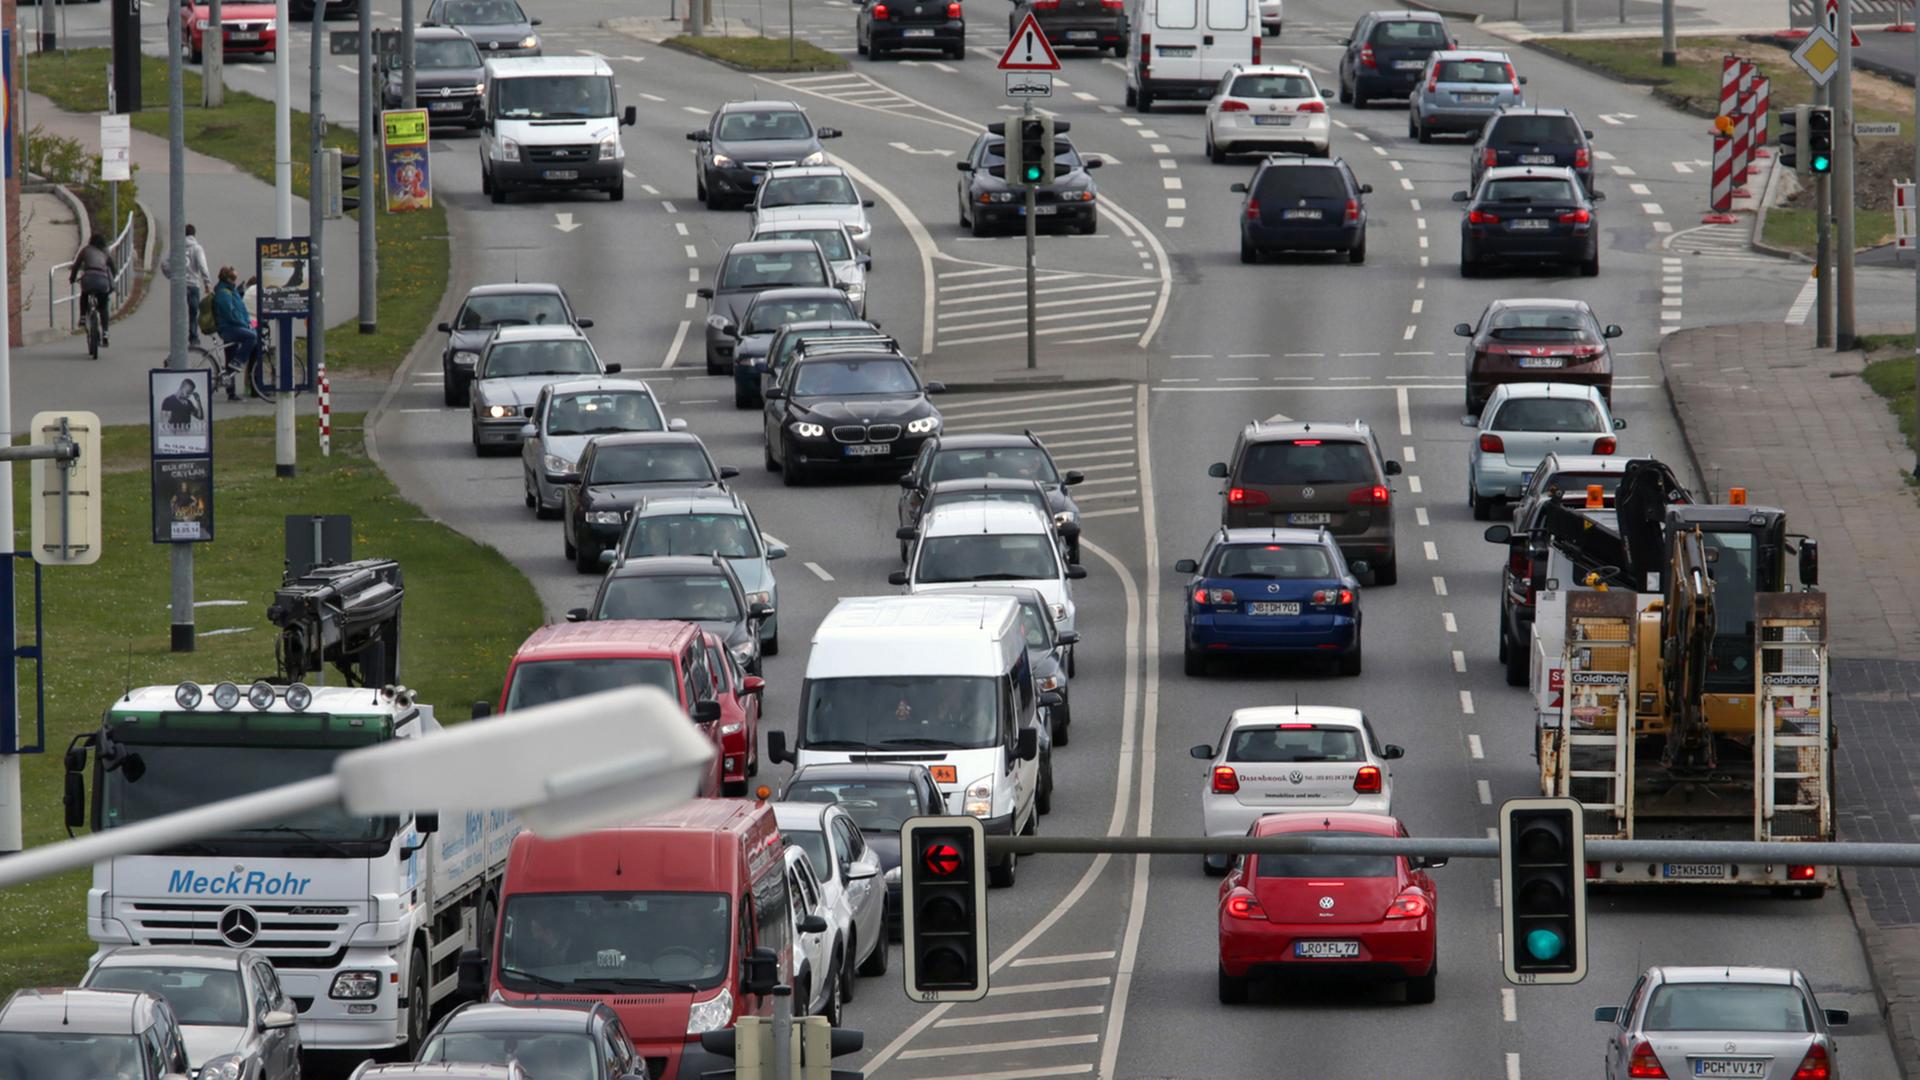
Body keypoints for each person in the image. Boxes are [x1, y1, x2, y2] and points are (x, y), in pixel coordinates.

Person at [211, 267, 259, 400]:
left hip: (234, 326)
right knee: (252, 337)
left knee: (230, 357)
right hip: (229, 328)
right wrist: (245, 325)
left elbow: (241, 309)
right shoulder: (223, 294)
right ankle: (239, 362)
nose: (236, 280)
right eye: (234, 278)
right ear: (228, 279)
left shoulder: (231, 291)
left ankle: (231, 392)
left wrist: (248, 323)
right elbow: (231, 314)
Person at [68, 232, 117, 346]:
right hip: (102, 281)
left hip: (88, 278)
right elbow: (112, 268)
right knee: (103, 306)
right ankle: (105, 332)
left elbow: (76, 266)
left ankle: (83, 317)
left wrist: (72, 278)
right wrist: (112, 279)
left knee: (84, 294)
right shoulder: (106, 252)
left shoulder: (85, 250)